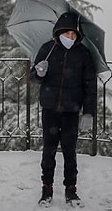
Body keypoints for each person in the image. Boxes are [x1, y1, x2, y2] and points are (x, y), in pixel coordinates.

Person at [30, 11, 97, 207]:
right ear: (58, 32)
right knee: (48, 151)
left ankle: (71, 190)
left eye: (73, 35)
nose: (69, 38)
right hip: (50, 109)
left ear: (78, 36)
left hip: (71, 111)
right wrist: (39, 72)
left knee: (70, 151)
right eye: (66, 34)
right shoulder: (47, 49)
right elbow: (33, 78)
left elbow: (90, 86)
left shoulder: (84, 54)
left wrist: (89, 112)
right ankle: (47, 189)